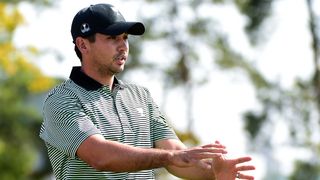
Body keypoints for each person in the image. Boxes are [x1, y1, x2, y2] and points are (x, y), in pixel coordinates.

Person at [39, 3, 255, 180]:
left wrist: (215, 173)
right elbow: (100, 156)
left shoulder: (140, 96)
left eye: (125, 38)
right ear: (83, 45)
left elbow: (178, 158)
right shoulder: (62, 99)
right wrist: (171, 156)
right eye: (112, 38)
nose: (123, 46)